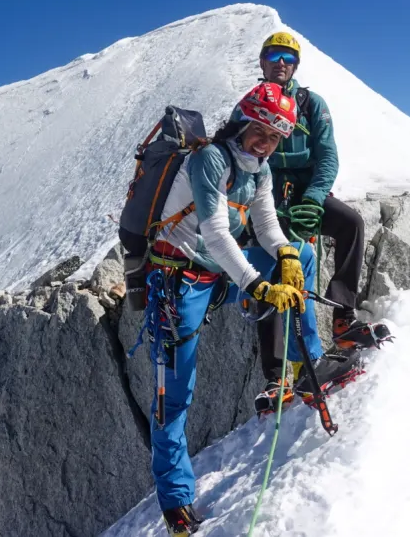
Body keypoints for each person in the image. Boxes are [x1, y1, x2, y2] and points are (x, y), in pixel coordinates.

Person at [141, 82, 318, 536]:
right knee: (173, 394)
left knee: (306, 253)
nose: (266, 143)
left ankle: (305, 361)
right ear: (242, 123)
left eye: (275, 137)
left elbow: (266, 226)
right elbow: (217, 233)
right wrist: (259, 285)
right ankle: (176, 500)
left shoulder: (259, 169)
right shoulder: (211, 159)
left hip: (217, 270)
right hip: (177, 279)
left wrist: (288, 256)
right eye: (261, 131)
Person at [245, 32, 391, 415]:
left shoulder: (312, 104)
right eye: (273, 55)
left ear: (295, 65)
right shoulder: (250, 105)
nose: (281, 62)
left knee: (351, 225)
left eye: (288, 57)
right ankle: (277, 374)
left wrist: (312, 200)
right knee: (274, 265)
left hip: (306, 192)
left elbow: (327, 157)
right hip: (267, 199)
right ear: (262, 62)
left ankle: (343, 316)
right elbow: (241, 158)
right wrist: (266, 210)